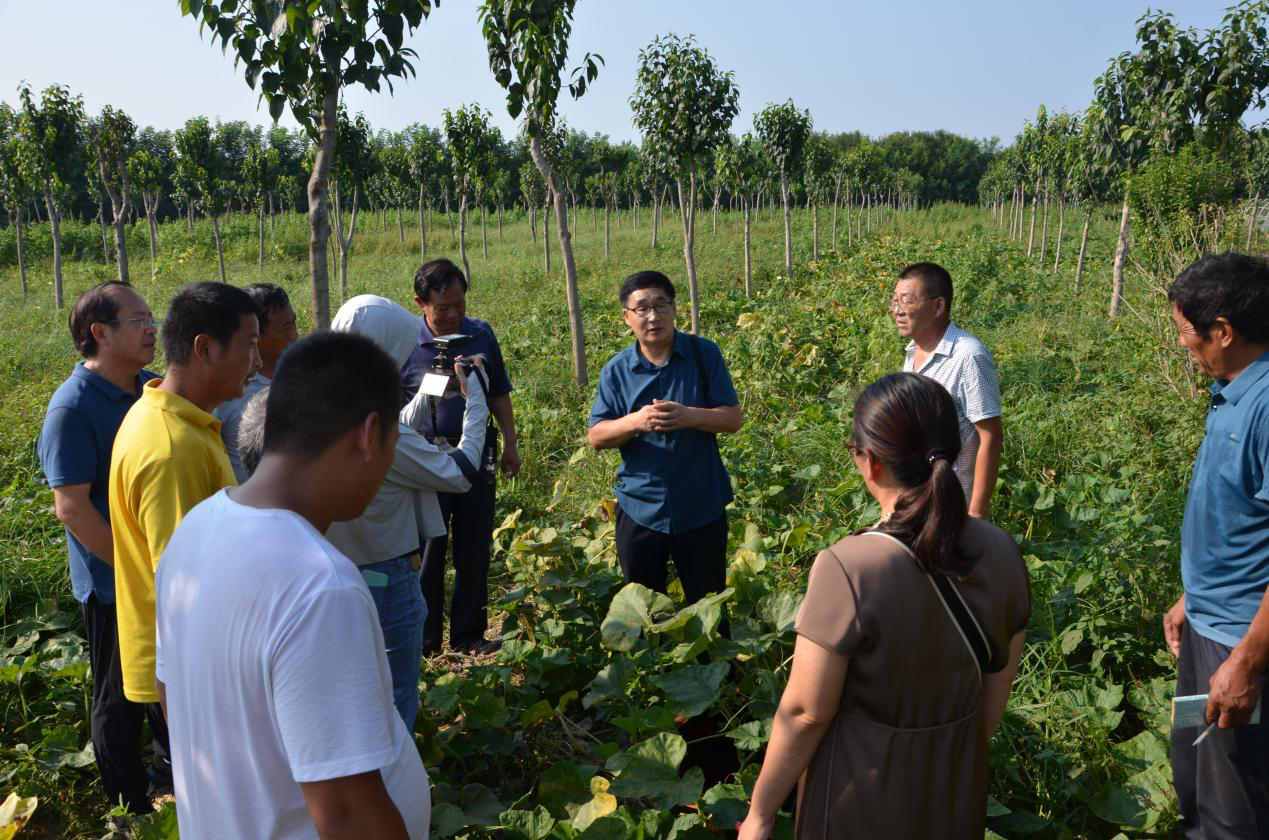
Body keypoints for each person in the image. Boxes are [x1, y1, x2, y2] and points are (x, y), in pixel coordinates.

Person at [155, 332, 431, 840]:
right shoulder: (320, 587)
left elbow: (172, 696)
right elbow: (349, 817)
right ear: (369, 434)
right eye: (394, 442)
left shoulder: (195, 530)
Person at [736, 372, 1029, 840]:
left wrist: (760, 813)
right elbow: (997, 686)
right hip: (955, 785)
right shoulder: (1002, 550)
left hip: (860, 792)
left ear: (870, 461)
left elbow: (805, 713)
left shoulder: (848, 567)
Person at [37, 282, 169, 813]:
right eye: (139, 320)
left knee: (166, 679)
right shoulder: (72, 407)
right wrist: (132, 568)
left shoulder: (149, 387)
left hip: (158, 571)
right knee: (119, 695)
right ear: (101, 333)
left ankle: (168, 777)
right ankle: (127, 804)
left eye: (151, 318)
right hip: (116, 581)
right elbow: (70, 506)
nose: (151, 329)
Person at [330, 294, 489, 724]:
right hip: (385, 573)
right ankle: (392, 781)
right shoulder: (379, 431)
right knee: (395, 695)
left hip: (341, 569)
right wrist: (477, 399)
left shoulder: (324, 404)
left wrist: (426, 392)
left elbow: (398, 425)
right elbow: (461, 470)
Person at [110, 281, 260, 706]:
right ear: (206, 349)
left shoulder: (169, 417)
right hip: (185, 676)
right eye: (249, 346)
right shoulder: (173, 448)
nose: (258, 362)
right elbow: (182, 588)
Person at [1163, 252, 1269, 838]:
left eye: (1186, 333)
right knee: (1197, 788)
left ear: (1223, 331)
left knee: (1235, 812)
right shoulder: (1234, 387)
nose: (1184, 346)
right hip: (1211, 625)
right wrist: (1192, 594)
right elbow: (1239, 517)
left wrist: (1248, 663)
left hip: (1241, 641)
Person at [587, 271, 742, 609]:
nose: (653, 316)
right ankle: (654, 662)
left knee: (709, 608)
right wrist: (635, 421)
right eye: (642, 308)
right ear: (627, 317)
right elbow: (597, 436)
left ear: (675, 309)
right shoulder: (616, 371)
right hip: (640, 507)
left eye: (661, 305)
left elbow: (732, 418)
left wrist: (689, 416)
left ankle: (710, 663)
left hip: (700, 504)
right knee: (643, 612)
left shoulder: (704, 355)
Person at [401, 259, 516, 654]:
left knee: (474, 545)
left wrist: (511, 443)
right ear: (420, 302)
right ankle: (427, 641)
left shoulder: (480, 334)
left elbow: (499, 391)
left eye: (459, 305)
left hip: (476, 453)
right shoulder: (404, 342)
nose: (453, 315)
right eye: (443, 308)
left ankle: (468, 635)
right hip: (424, 457)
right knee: (429, 548)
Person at [891, 262, 1002, 518]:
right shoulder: (913, 351)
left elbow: (991, 436)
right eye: (894, 302)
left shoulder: (968, 356)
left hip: (953, 506)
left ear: (938, 305)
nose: (897, 311)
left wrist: (976, 513)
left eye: (906, 302)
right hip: (918, 499)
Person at [214, 283, 299, 483]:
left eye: (293, 323)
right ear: (255, 333)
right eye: (285, 328)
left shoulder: (303, 375)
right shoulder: (227, 392)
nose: (295, 335)